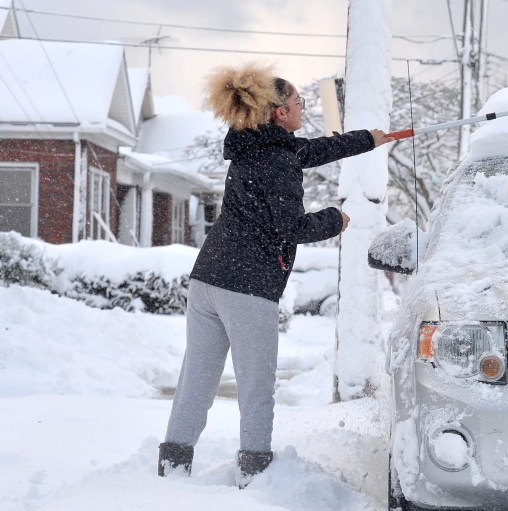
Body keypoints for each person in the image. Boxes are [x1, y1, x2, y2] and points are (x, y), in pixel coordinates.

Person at [158, 62, 393, 487]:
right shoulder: (278, 163)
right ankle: (255, 475)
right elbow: (293, 228)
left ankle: (172, 467)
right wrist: (334, 219)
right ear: (280, 113)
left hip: (208, 278)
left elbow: (309, 151)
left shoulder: (255, 147)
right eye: (298, 102)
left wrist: (367, 141)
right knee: (255, 385)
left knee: (197, 377)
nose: (303, 106)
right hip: (246, 287)